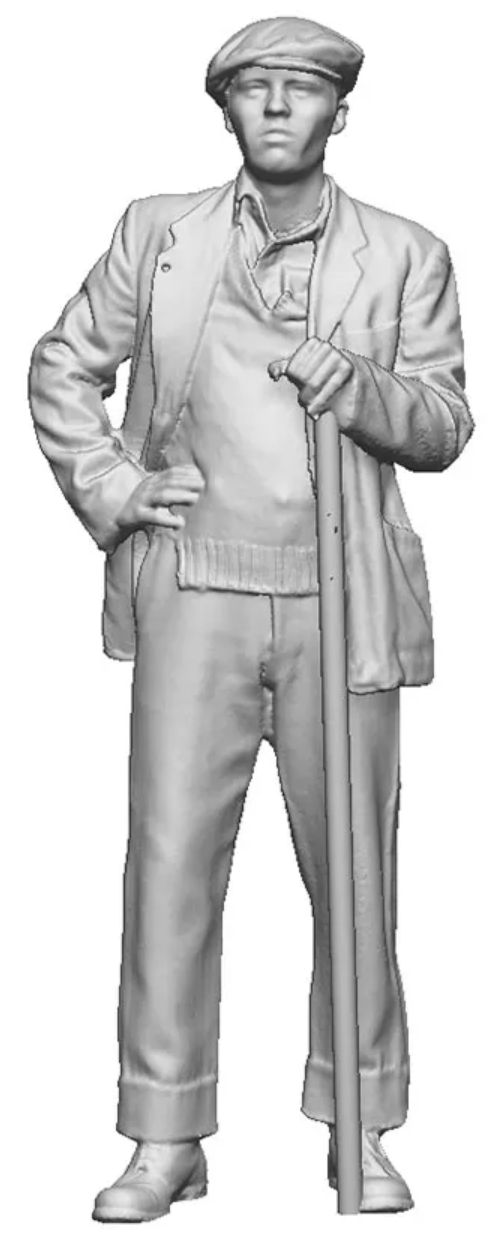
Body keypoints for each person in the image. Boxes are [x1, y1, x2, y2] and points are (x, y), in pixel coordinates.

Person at [28, 16, 474, 1220]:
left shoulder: (407, 253)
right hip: (195, 594)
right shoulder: (158, 234)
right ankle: (164, 1133)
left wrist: (362, 388)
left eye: (302, 89)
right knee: (171, 862)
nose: (278, 106)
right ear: (225, 109)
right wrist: (115, 488)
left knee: (356, 868)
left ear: (340, 112)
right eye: (256, 88)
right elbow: (64, 363)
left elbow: (444, 422)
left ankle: (361, 1127)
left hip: (342, 597)